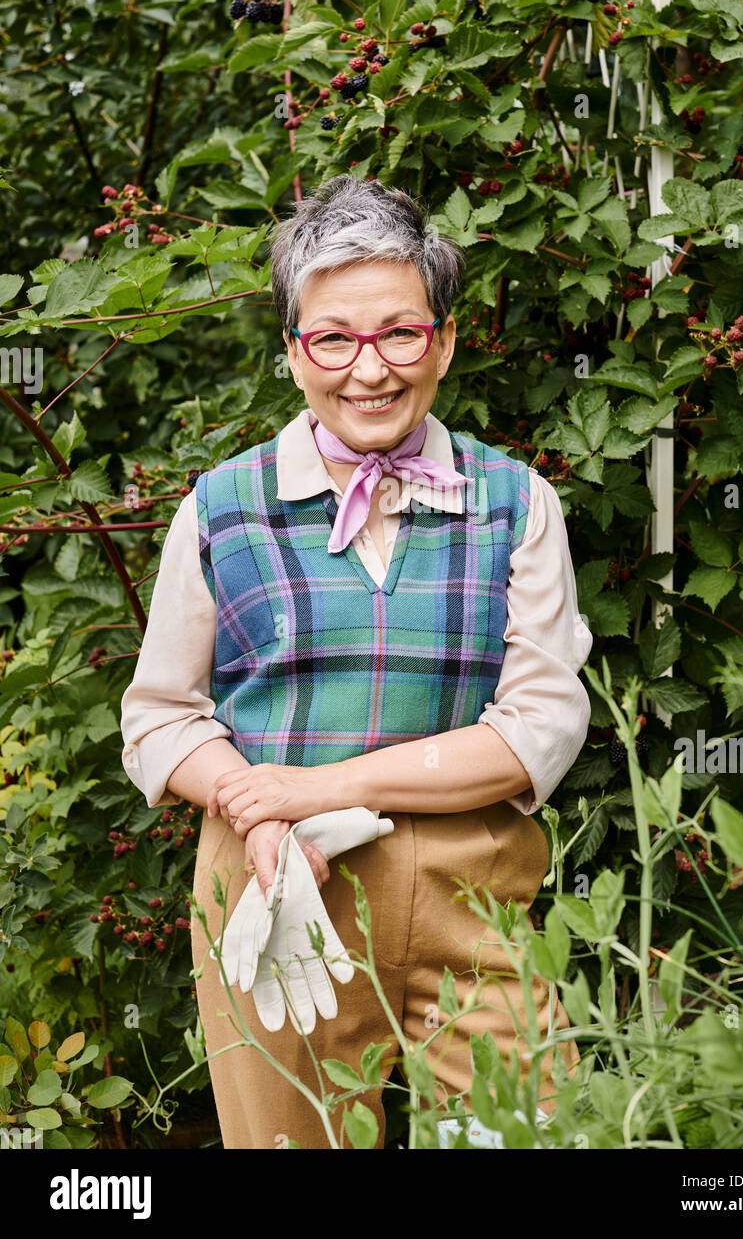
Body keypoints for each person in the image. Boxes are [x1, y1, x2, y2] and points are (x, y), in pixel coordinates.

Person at [119, 175, 593, 1149]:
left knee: (530, 1136)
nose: (367, 369)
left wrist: (308, 786)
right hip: (279, 887)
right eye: (333, 337)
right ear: (293, 352)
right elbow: (160, 715)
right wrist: (254, 805)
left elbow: (535, 729)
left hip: (476, 896)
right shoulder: (221, 507)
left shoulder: (514, 501)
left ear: (444, 340)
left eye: (399, 333)